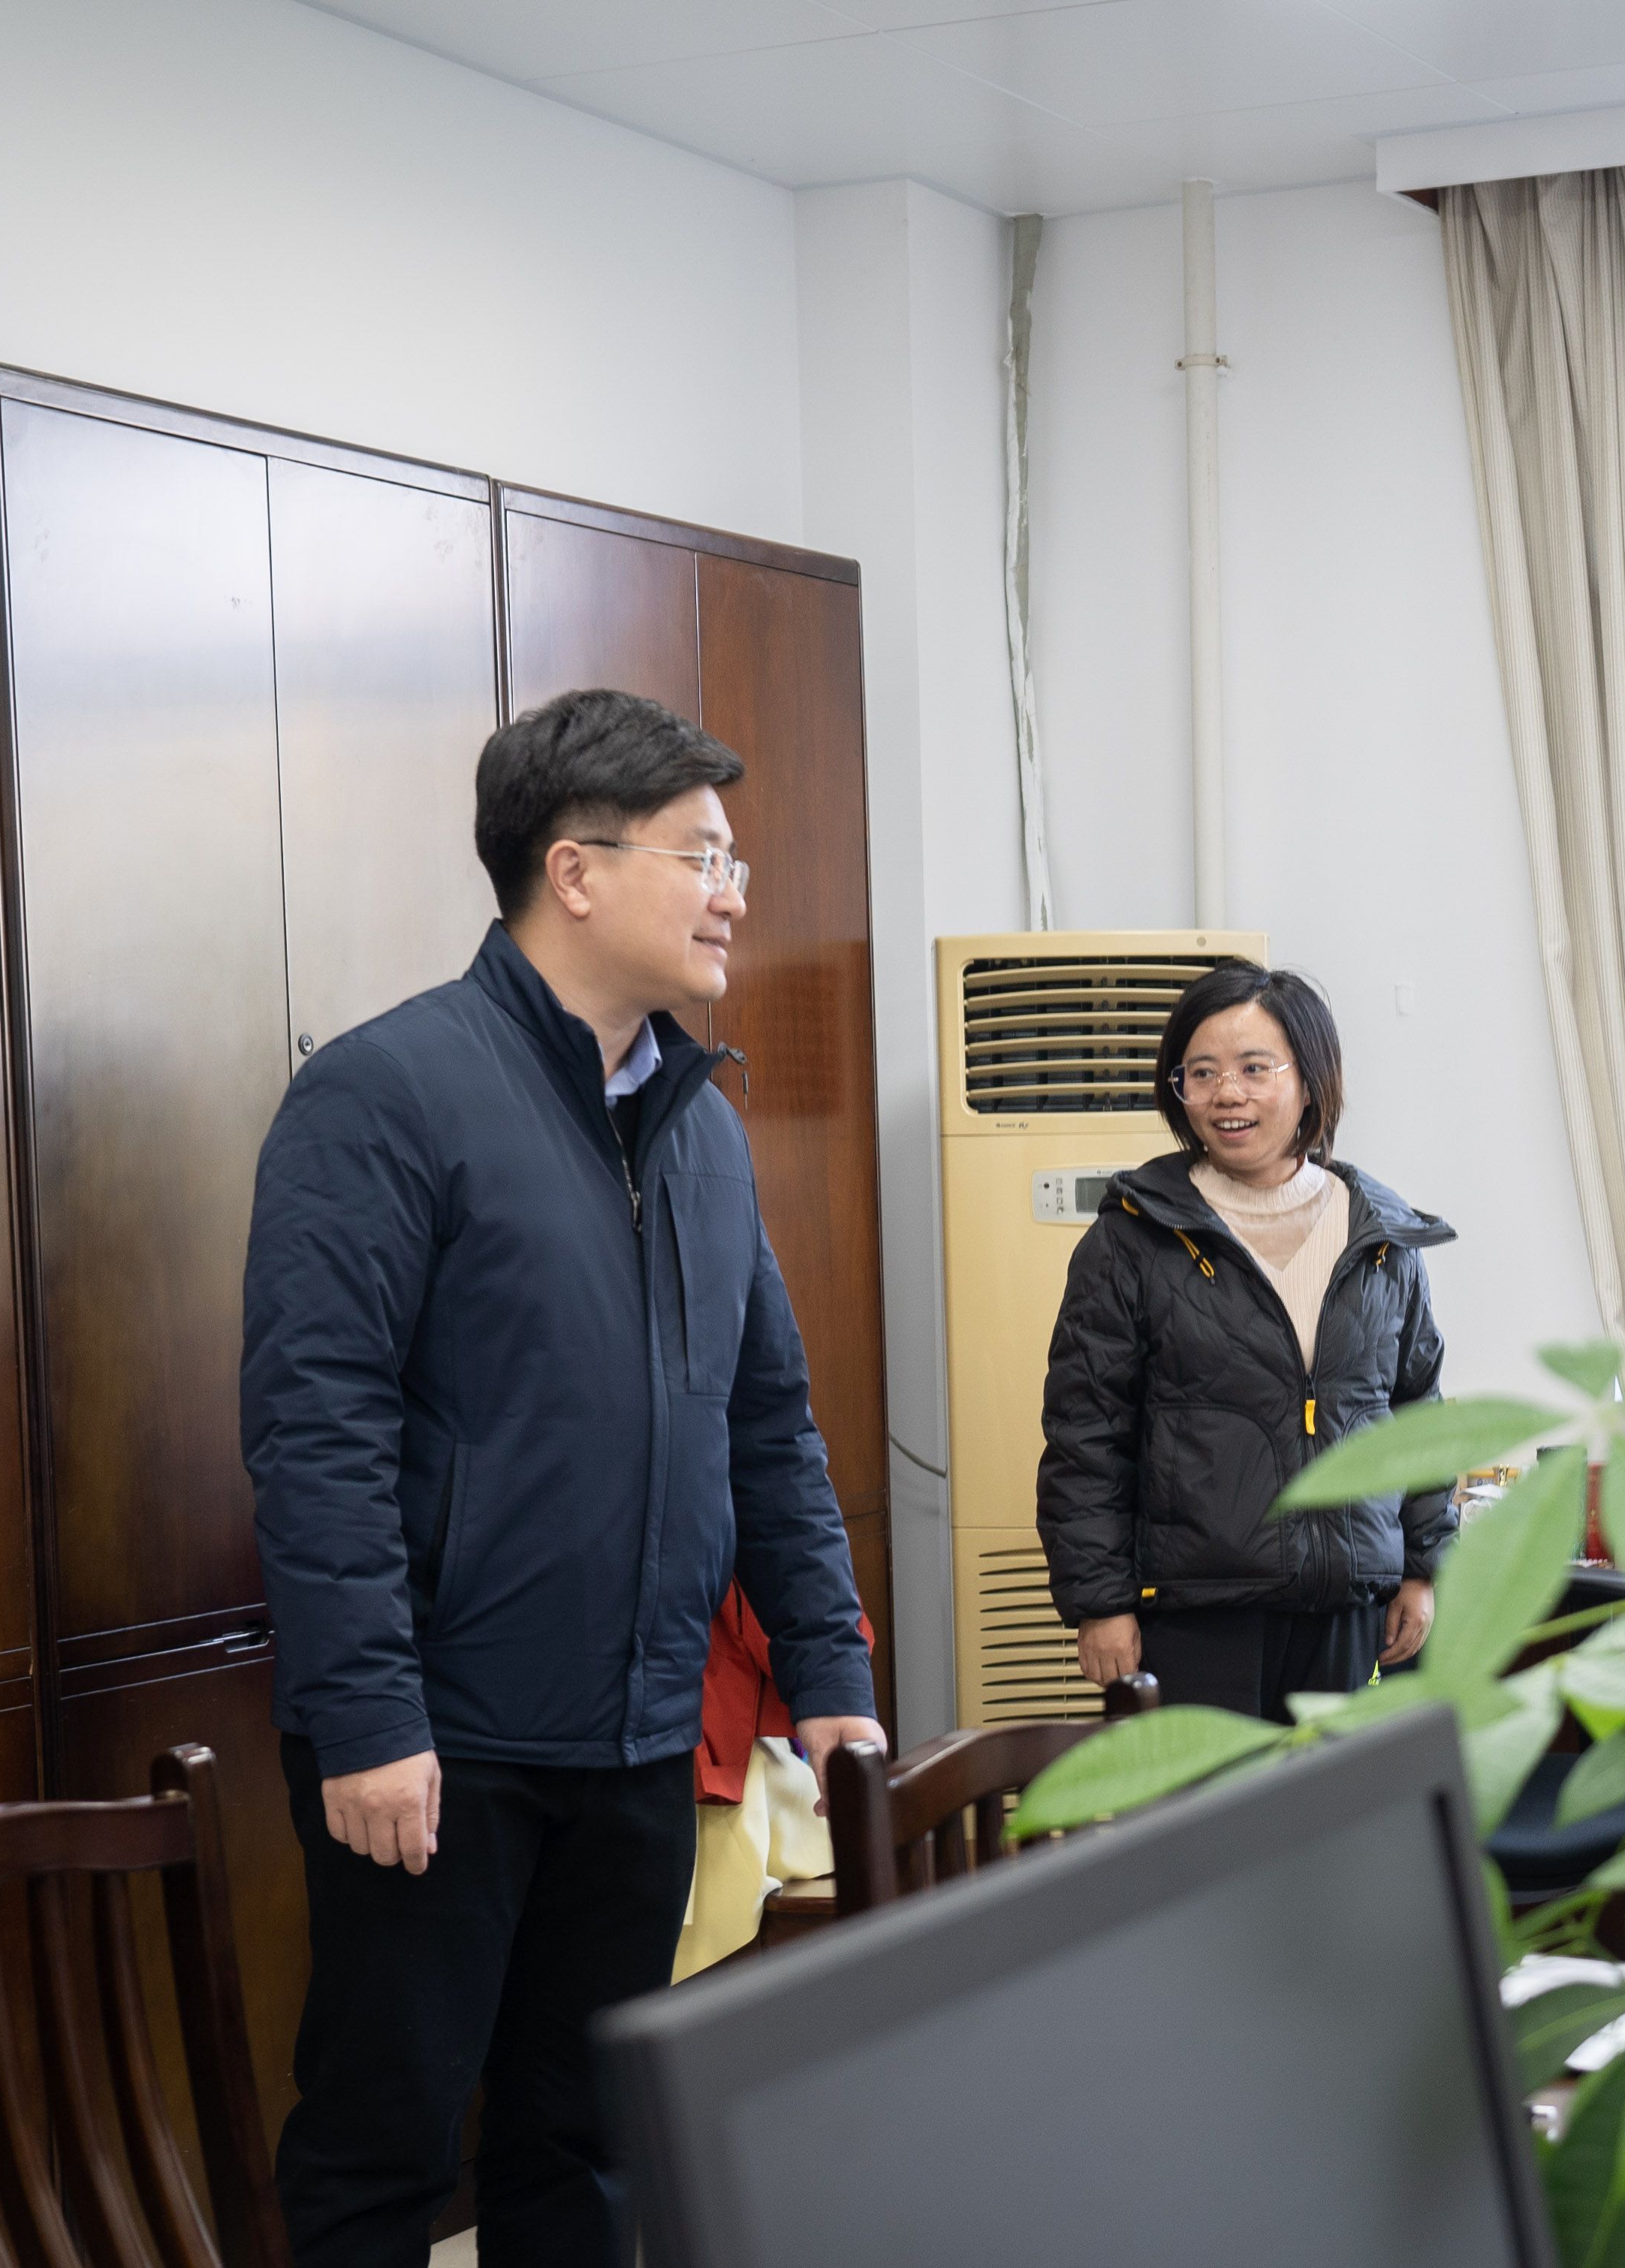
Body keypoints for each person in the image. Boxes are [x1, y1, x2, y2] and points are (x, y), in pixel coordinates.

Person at [243, 689, 880, 2268]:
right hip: (440, 1740)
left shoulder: (699, 1127)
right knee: (385, 2153)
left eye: (734, 861)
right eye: (702, 856)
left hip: (641, 1732)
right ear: (574, 870)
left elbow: (768, 1425)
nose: (733, 893)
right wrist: (369, 1718)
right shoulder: (386, 1092)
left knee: (586, 2149)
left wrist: (831, 1672)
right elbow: (319, 1428)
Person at [1036, 962, 1455, 1718]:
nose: (1227, 1093)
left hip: (1348, 1608)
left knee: (1340, 1797)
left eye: (1254, 1068)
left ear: (1310, 1082)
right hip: (1193, 1617)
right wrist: (1100, 1602)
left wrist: (1424, 1568)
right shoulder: (1134, 1238)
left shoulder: (1382, 1237)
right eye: (1201, 1073)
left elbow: (1417, 1411)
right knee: (1204, 1800)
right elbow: (1086, 1435)